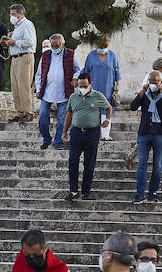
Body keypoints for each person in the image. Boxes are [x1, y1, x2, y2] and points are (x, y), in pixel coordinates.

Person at [61, 71, 111, 200]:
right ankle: (73, 191)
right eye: (80, 86)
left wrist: (107, 120)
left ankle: (86, 191)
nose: (82, 89)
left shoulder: (98, 96)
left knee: (89, 164)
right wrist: (64, 131)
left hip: (92, 133)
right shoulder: (73, 97)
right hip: (76, 132)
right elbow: (69, 114)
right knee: (73, 161)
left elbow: (108, 107)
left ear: (90, 84)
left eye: (84, 86)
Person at [130, 70, 162, 204]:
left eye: (155, 83)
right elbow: (133, 106)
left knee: (157, 166)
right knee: (141, 165)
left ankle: (153, 193)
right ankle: (140, 194)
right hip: (144, 133)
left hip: (159, 134)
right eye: (151, 82)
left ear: (160, 82)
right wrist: (142, 91)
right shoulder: (145, 94)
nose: (153, 85)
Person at [34, 33, 75, 151]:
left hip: (64, 92)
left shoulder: (70, 55)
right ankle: (46, 139)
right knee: (42, 115)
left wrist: (75, 78)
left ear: (62, 44)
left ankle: (58, 141)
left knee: (62, 119)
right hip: (47, 92)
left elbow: (78, 70)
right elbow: (38, 74)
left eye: (57, 45)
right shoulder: (46, 55)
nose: (55, 48)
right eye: (53, 46)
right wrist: (38, 88)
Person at [82, 34, 121, 143]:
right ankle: (91, 133)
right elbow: (85, 70)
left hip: (108, 87)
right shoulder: (91, 55)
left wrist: (117, 87)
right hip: (93, 87)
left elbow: (117, 72)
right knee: (92, 109)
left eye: (104, 47)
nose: (102, 49)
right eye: (100, 47)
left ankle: (105, 134)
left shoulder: (113, 55)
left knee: (106, 109)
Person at [4, 3, 38, 123]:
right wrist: (9, 41)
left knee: (23, 86)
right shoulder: (17, 27)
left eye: (13, 14)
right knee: (16, 87)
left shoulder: (26, 24)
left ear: (21, 13)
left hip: (24, 56)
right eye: (11, 14)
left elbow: (29, 42)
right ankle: (19, 112)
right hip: (14, 57)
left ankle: (28, 112)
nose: (11, 16)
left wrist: (15, 42)